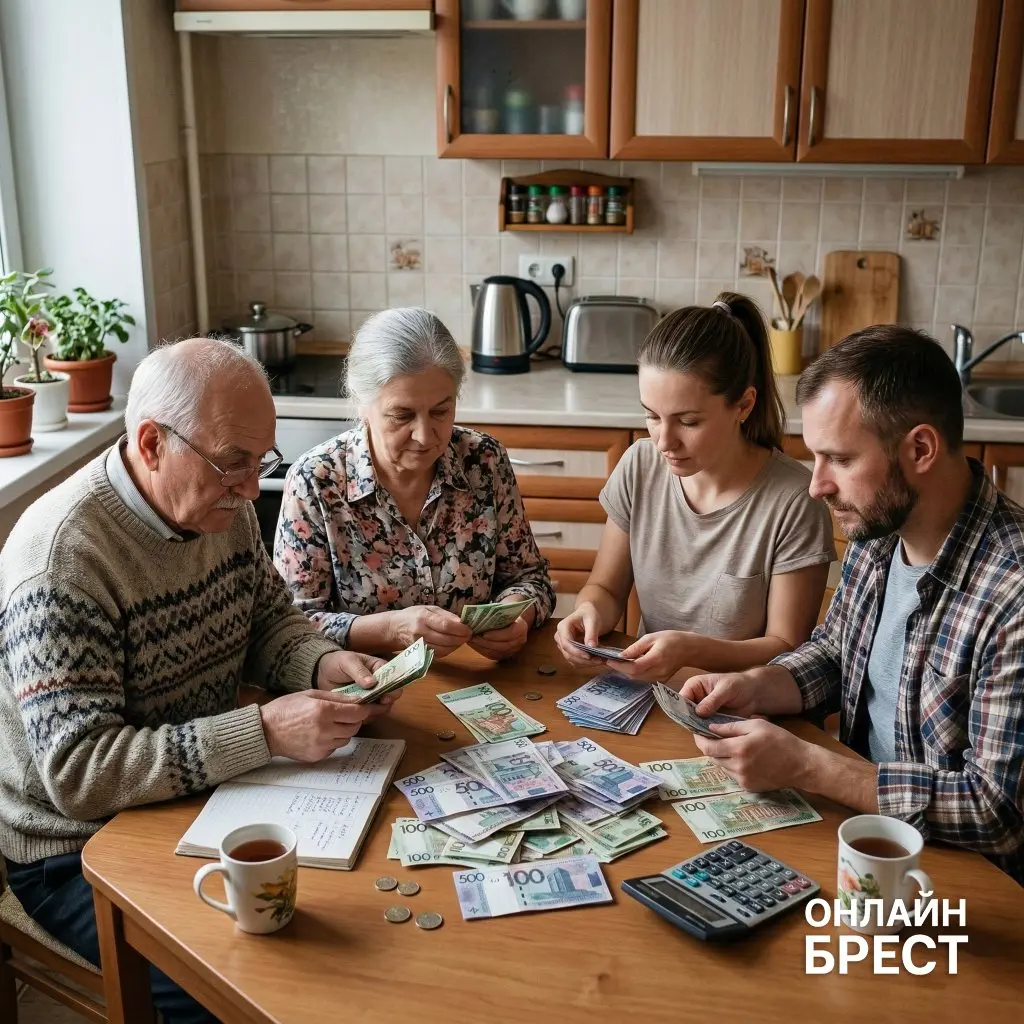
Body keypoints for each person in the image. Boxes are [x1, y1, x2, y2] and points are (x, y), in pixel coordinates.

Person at [0, 337, 401, 1023]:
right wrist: (265, 731)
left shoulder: (223, 508)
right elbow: (81, 775)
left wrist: (319, 663)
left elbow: (270, 625)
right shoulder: (63, 562)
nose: (252, 488)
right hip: (73, 848)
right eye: (233, 463)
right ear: (152, 443)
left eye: (260, 461)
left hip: (193, 800)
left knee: (355, 936)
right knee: (240, 994)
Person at [682, 327, 1024, 885]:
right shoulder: (877, 529)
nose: (817, 486)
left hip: (961, 879)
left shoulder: (1013, 595)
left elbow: (996, 810)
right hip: (857, 832)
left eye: (838, 459)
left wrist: (810, 766)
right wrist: (757, 684)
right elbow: (839, 650)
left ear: (920, 449)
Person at [554, 293, 835, 681]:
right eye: (652, 416)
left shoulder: (794, 500)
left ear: (744, 405)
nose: (664, 441)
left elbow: (787, 648)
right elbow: (605, 587)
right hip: (650, 693)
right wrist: (587, 612)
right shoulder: (639, 464)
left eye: (687, 421)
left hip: (743, 710)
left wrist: (691, 650)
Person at [274, 307, 555, 662]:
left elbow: (532, 579)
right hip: (366, 685)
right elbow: (289, 627)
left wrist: (519, 615)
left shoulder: (483, 461)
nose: (424, 437)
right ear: (362, 404)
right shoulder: (316, 481)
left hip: (477, 676)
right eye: (402, 415)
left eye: (441, 411)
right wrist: (389, 629)